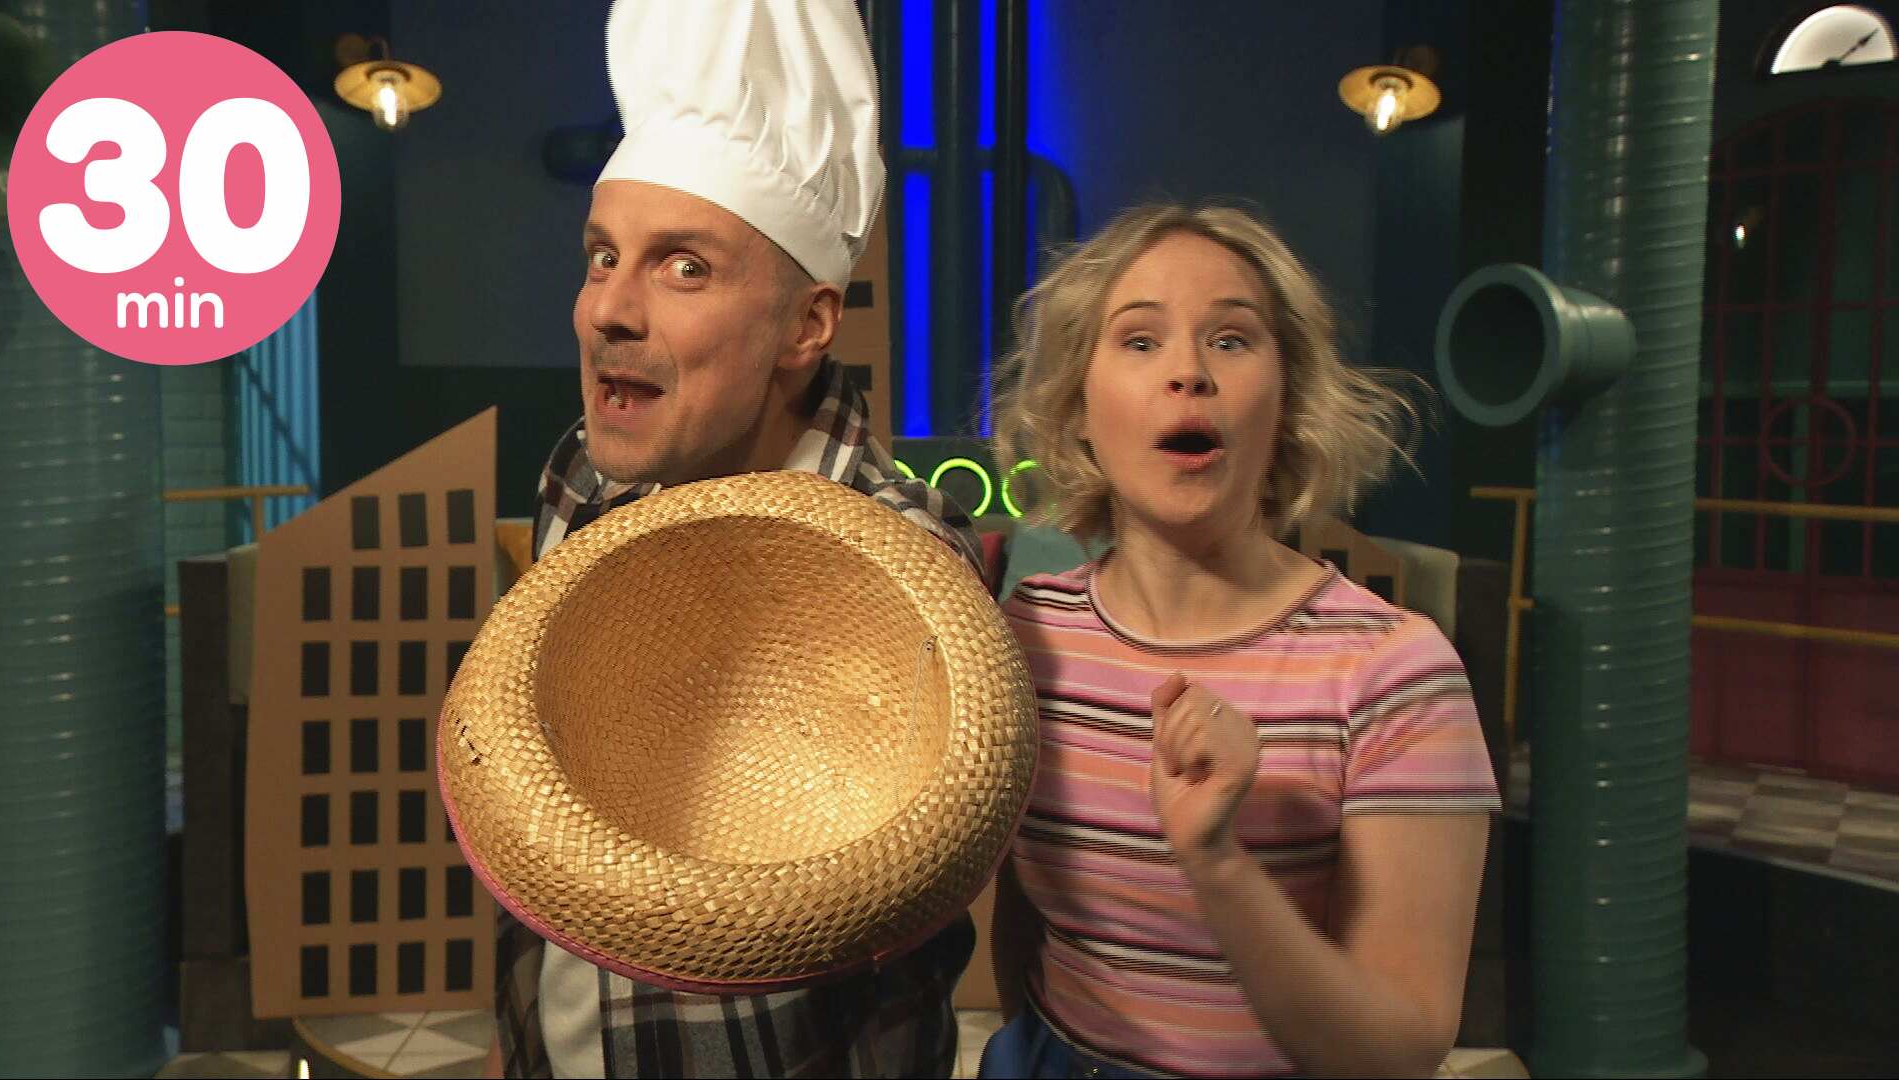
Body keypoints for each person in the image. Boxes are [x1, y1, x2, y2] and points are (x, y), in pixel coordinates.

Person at [485, 2, 987, 1077]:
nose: (608, 311)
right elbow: (535, 818)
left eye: (684, 268)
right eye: (603, 256)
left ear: (808, 324)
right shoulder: (582, 477)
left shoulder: (905, 576)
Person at [982, 203, 1502, 1079]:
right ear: (1077, 408)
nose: (1188, 373)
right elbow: (1025, 931)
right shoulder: (1025, 636)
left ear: (1289, 400)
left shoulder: (1394, 673)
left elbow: (1399, 1049)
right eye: (1140, 341)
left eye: (1231, 339)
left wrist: (1217, 863)